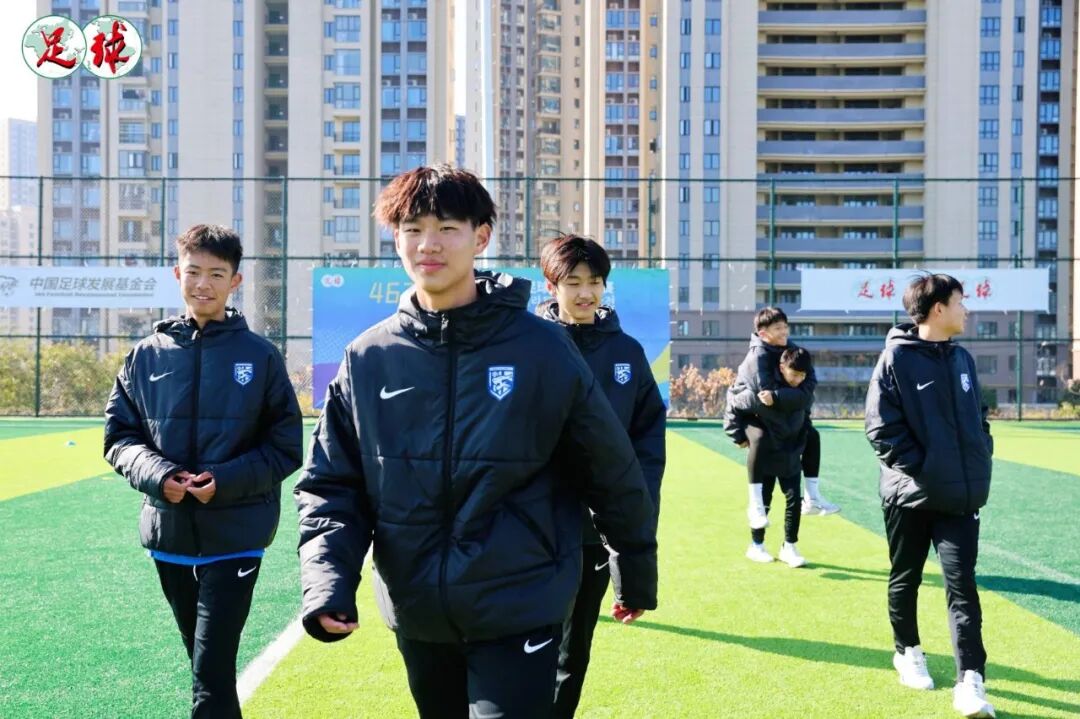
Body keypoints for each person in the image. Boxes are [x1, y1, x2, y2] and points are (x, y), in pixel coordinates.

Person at [294, 165, 658, 719]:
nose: (428, 244)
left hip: (522, 601)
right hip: (418, 609)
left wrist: (632, 569)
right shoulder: (368, 357)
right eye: (413, 229)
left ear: (481, 236)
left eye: (447, 228)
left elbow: (610, 469)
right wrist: (327, 583)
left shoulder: (543, 348)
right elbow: (331, 483)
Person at [104, 224, 304, 718]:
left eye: (217, 274)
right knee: (204, 666)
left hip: (237, 535)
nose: (203, 284)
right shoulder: (145, 355)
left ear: (235, 281)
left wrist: (225, 481)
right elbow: (119, 438)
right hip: (169, 534)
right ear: (177, 274)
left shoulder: (259, 356)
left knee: (211, 672)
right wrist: (159, 476)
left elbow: (285, 448)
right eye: (194, 271)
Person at [537, 234, 666, 718]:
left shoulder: (627, 352)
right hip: (531, 530)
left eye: (594, 282)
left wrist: (633, 566)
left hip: (594, 533)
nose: (586, 293)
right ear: (551, 286)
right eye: (573, 282)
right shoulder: (529, 346)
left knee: (573, 653)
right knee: (523, 647)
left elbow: (647, 450)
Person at [865, 273, 995, 718]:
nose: (966, 310)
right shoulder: (895, 360)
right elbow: (881, 429)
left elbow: (979, 417)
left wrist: (982, 452)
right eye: (960, 302)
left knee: (963, 586)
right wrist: (926, 470)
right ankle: (907, 651)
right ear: (938, 309)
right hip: (910, 496)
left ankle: (971, 681)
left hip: (960, 496)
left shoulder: (963, 359)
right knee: (907, 577)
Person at [725, 347, 813, 567]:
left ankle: (789, 547)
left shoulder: (802, 394)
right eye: (794, 374)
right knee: (763, 499)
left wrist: (803, 440)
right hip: (767, 452)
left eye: (802, 375)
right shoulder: (763, 392)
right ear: (782, 368)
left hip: (791, 451)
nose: (798, 380)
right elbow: (735, 407)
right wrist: (738, 436)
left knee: (794, 499)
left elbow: (806, 417)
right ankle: (756, 545)